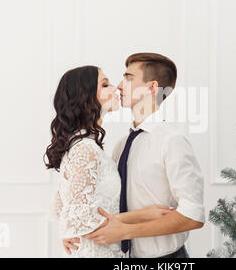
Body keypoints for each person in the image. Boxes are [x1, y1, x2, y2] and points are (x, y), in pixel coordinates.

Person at [68, 53, 205, 258]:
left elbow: (193, 216)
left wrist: (127, 231)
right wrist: (73, 229)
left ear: (151, 88)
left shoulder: (172, 141)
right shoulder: (121, 145)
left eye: (129, 78)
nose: (120, 86)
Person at [45, 65, 173, 258]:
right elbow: (78, 219)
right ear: (86, 97)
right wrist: (145, 215)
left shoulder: (85, 145)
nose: (115, 88)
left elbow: (64, 205)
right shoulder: (85, 149)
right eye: (105, 85)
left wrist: (69, 231)